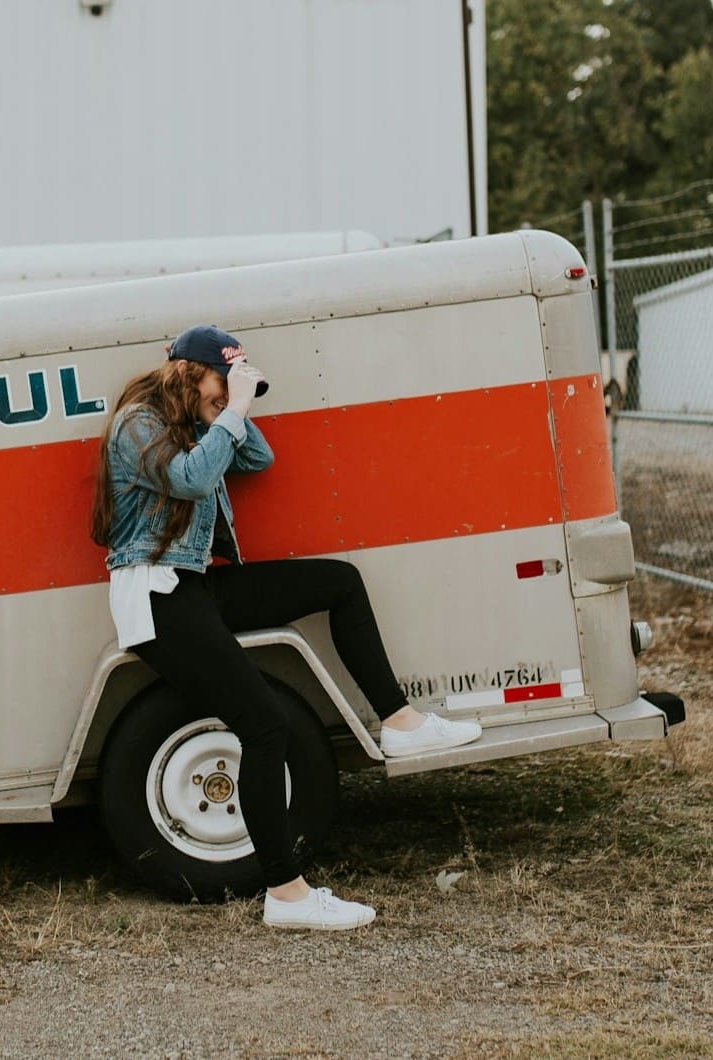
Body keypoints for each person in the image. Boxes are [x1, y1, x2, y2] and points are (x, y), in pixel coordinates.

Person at [90, 323, 482, 930]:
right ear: (189, 373)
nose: (229, 397)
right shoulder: (137, 423)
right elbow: (193, 479)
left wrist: (229, 406)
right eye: (221, 382)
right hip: (158, 594)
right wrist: (230, 410)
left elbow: (257, 456)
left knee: (339, 582)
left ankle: (401, 723)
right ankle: (287, 895)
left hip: (196, 585)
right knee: (265, 726)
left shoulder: (197, 421)